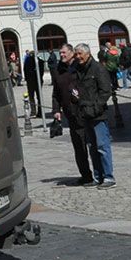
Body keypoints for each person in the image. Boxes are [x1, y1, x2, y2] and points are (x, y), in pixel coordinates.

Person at [71, 43, 116, 188]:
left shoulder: (97, 69)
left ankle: (108, 177)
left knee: (102, 146)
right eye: (76, 54)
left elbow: (105, 91)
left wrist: (95, 108)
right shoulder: (78, 69)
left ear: (87, 54)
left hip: (98, 114)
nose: (78, 57)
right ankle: (98, 177)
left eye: (79, 54)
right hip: (85, 113)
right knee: (92, 147)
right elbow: (75, 86)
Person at [50, 45, 94, 186]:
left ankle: (101, 174)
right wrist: (56, 110)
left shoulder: (79, 67)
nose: (61, 55)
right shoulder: (58, 70)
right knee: (79, 148)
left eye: (63, 52)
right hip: (71, 115)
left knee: (93, 145)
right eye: (60, 53)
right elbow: (56, 93)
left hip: (85, 112)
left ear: (71, 53)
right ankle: (86, 175)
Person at [21, 49, 42, 117]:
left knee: (31, 97)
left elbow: (25, 71)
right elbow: (41, 72)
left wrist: (27, 79)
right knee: (39, 97)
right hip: (37, 81)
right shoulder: (39, 61)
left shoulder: (27, 61)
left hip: (31, 82)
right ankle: (40, 112)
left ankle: (33, 111)